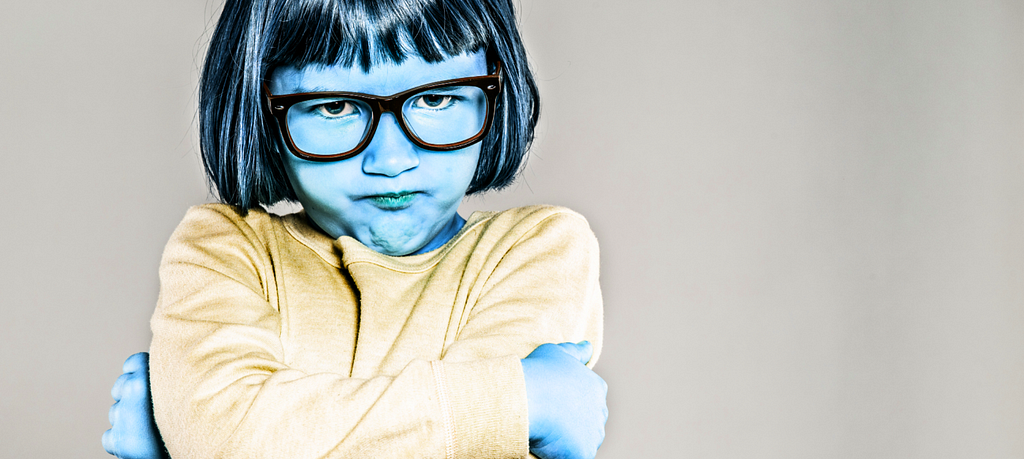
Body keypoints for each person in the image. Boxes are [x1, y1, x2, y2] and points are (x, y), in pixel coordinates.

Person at [102, 0, 607, 458]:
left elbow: (231, 443)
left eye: (436, 99)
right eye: (336, 106)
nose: (391, 160)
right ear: (260, 111)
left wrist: (200, 440)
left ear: (496, 91)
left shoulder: (537, 251)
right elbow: (230, 442)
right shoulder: (222, 250)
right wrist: (514, 401)